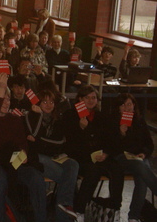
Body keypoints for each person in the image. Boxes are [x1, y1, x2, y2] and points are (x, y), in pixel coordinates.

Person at [0, 73, 46, 222]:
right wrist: (1, 87)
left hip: (13, 159)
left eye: (8, 98)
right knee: (0, 179)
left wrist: (24, 154)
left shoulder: (15, 120)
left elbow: (22, 143)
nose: (6, 101)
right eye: (3, 98)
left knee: (36, 178)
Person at [63, 85, 124, 222]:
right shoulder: (70, 115)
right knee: (93, 171)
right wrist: (83, 129)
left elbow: (111, 140)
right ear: (80, 99)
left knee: (117, 168)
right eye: (87, 97)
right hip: (81, 157)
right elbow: (71, 143)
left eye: (94, 98)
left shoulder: (102, 116)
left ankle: (115, 208)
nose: (91, 101)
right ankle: (79, 211)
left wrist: (106, 153)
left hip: (101, 155)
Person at [25, 90, 79, 221]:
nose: (48, 105)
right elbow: (33, 139)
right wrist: (38, 116)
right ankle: (65, 206)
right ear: (38, 103)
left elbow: (59, 143)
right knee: (68, 178)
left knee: (73, 164)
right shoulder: (29, 116)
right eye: (44, 102)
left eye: (51, 102)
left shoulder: (58, 119)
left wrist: (38, 140)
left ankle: (64, 204)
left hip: (55, 157)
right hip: (37, 159)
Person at [110, 93, 157, 222]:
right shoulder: (113, 121)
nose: (126, 107)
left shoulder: (139, 120)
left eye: (129, 104)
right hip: (121, 157)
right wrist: (121, 134)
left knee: (142, 174)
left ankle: (133, 217)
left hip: (138, 157)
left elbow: (149, 143)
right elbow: (111, 147)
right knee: (141, 166)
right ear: (118, 108)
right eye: (123, 105)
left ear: (134, 106)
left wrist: (144, 153)